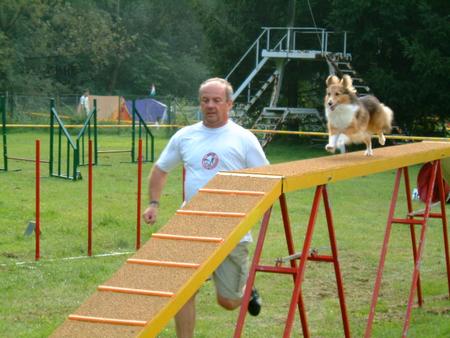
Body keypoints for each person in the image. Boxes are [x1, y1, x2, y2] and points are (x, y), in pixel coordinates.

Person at [142, 77, 268, 338]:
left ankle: (246, 289)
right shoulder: (185, 136)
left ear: (229, 104)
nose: (210, 105)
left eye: (216, 100)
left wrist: (251, 211)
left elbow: (267, 179)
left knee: (229, 302)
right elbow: (160, 169)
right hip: (191, 225)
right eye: (205, 100)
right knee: (181, 290)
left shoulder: (244, 139)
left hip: (232, 227)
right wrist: (154, 203)